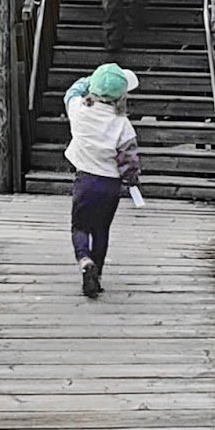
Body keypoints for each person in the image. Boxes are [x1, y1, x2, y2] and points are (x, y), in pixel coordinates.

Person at [63, 61, 141, 298]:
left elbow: (71, 93)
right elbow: (129, 158)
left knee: (80, 226)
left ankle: (85, 261)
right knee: (101, 229)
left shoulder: (79, 110)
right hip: (110, 185)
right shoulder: (122, 124)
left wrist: (88, 80)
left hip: (85, 179)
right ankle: (97, 276)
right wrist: (132, 180)